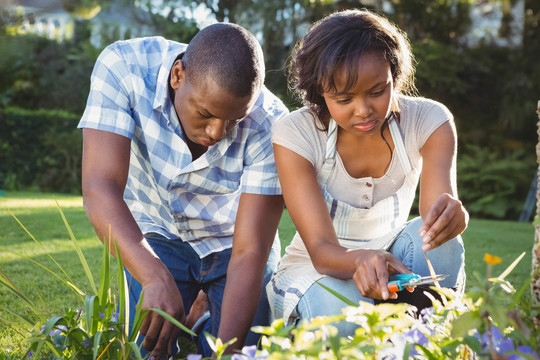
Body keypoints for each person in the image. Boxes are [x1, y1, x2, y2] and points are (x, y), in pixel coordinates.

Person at [78, 23, 288, 358]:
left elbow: (250, 251)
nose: (217, 132)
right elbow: (99, 188)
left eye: (233, 121)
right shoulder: (124, 67)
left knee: (242, 351)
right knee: (146, 349)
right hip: (156, 231)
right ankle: (188, 303)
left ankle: (201, 317)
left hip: (233, 241)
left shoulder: (271, 122)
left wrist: (225, 352)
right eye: (205, 114)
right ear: (178, 75)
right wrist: (153, 277)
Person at [266, 8, 468, 336]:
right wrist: (361, 260)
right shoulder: (296, 132)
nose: (364, 110)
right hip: (318, 269)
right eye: (344, 98)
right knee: (344, 313)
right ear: (319, 90)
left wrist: (449, 216)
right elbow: (320, 249)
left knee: (443, 244)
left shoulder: (429, 121)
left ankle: (429, 339)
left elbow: (433, 222)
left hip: (392, 263)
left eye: (377, 91)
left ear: (394, 77)